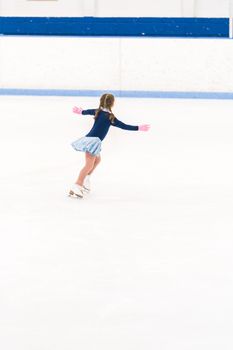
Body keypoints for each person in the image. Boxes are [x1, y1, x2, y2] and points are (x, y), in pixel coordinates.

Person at [69, 93, 150, 198]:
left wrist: (80, 111)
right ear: (112, 103)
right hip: (92, 141)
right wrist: (138, 128)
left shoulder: (98, 111)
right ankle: (77, 185)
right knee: (88, 165)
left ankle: (86, 178)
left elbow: (86, 112)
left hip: (93, 140)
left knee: (97, 160)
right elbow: (124, 126)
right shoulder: (109, 117)